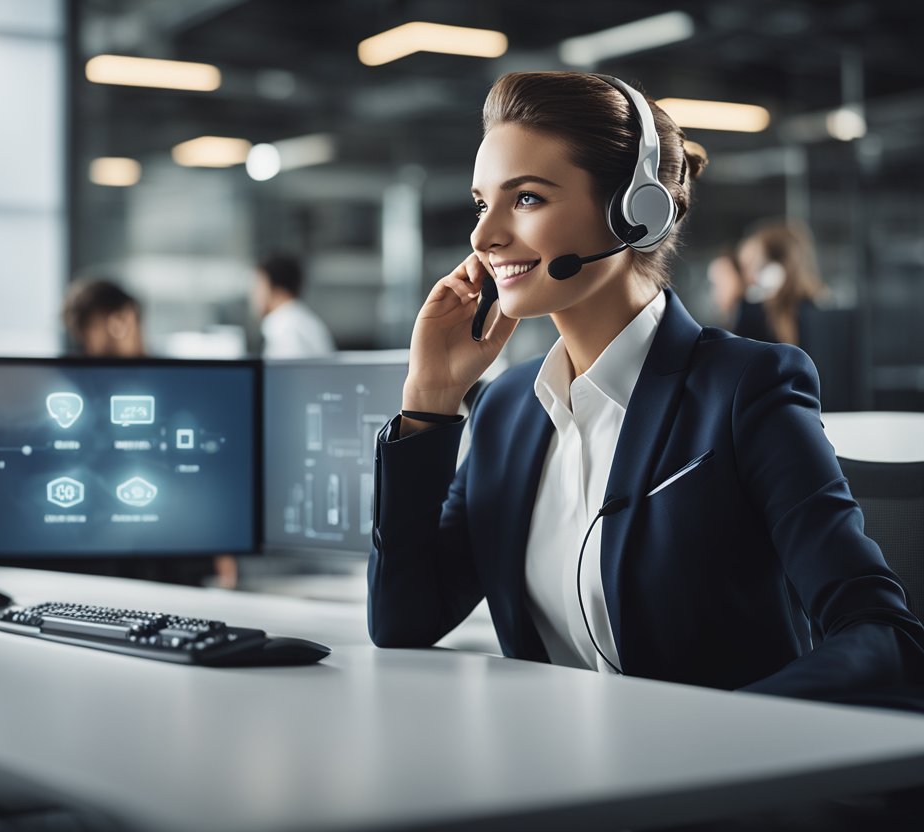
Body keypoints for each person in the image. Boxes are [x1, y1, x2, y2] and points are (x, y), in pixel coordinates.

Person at [369, 71, 924, 712]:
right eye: (480, 203)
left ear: (635, 211)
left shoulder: (745, 389)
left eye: (525, 200)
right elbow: (402, 620)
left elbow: (885, 635)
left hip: (711, 791)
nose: (482, 235)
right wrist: (430, 396)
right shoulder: (505, 410)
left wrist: (718, 732)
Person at [20, 277, 237, 588]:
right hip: (96, 551)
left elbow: (205, 470)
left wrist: (223, 548)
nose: (117, 330)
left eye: (122, 319)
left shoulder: (173, 382)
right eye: (97, 325)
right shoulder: (67, 388)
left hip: (166, 547)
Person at [732, 219, 827, 346]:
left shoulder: (754, 312)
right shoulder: (818, 309)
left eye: (755, 265)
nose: (751, 277)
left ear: (774, 271)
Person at [252, 254, 335, 358]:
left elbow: (288, 373)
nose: (254, 294)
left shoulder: (284, 329)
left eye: (258, 285)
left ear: (278, 289)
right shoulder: (305, 321)